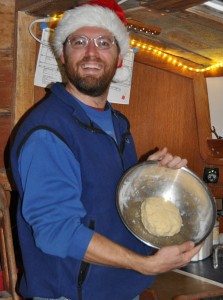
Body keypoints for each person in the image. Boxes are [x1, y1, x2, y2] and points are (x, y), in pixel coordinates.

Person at [10, 0, 202, 299]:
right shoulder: (49, 132)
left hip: (120, 288)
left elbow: (105, 196)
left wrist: (147, 173)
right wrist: (144, 264)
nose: (91, 52)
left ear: (119, 57)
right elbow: (56, 231)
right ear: (62, 53)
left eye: (103, 42)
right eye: (79, 41)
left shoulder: (116, 123)